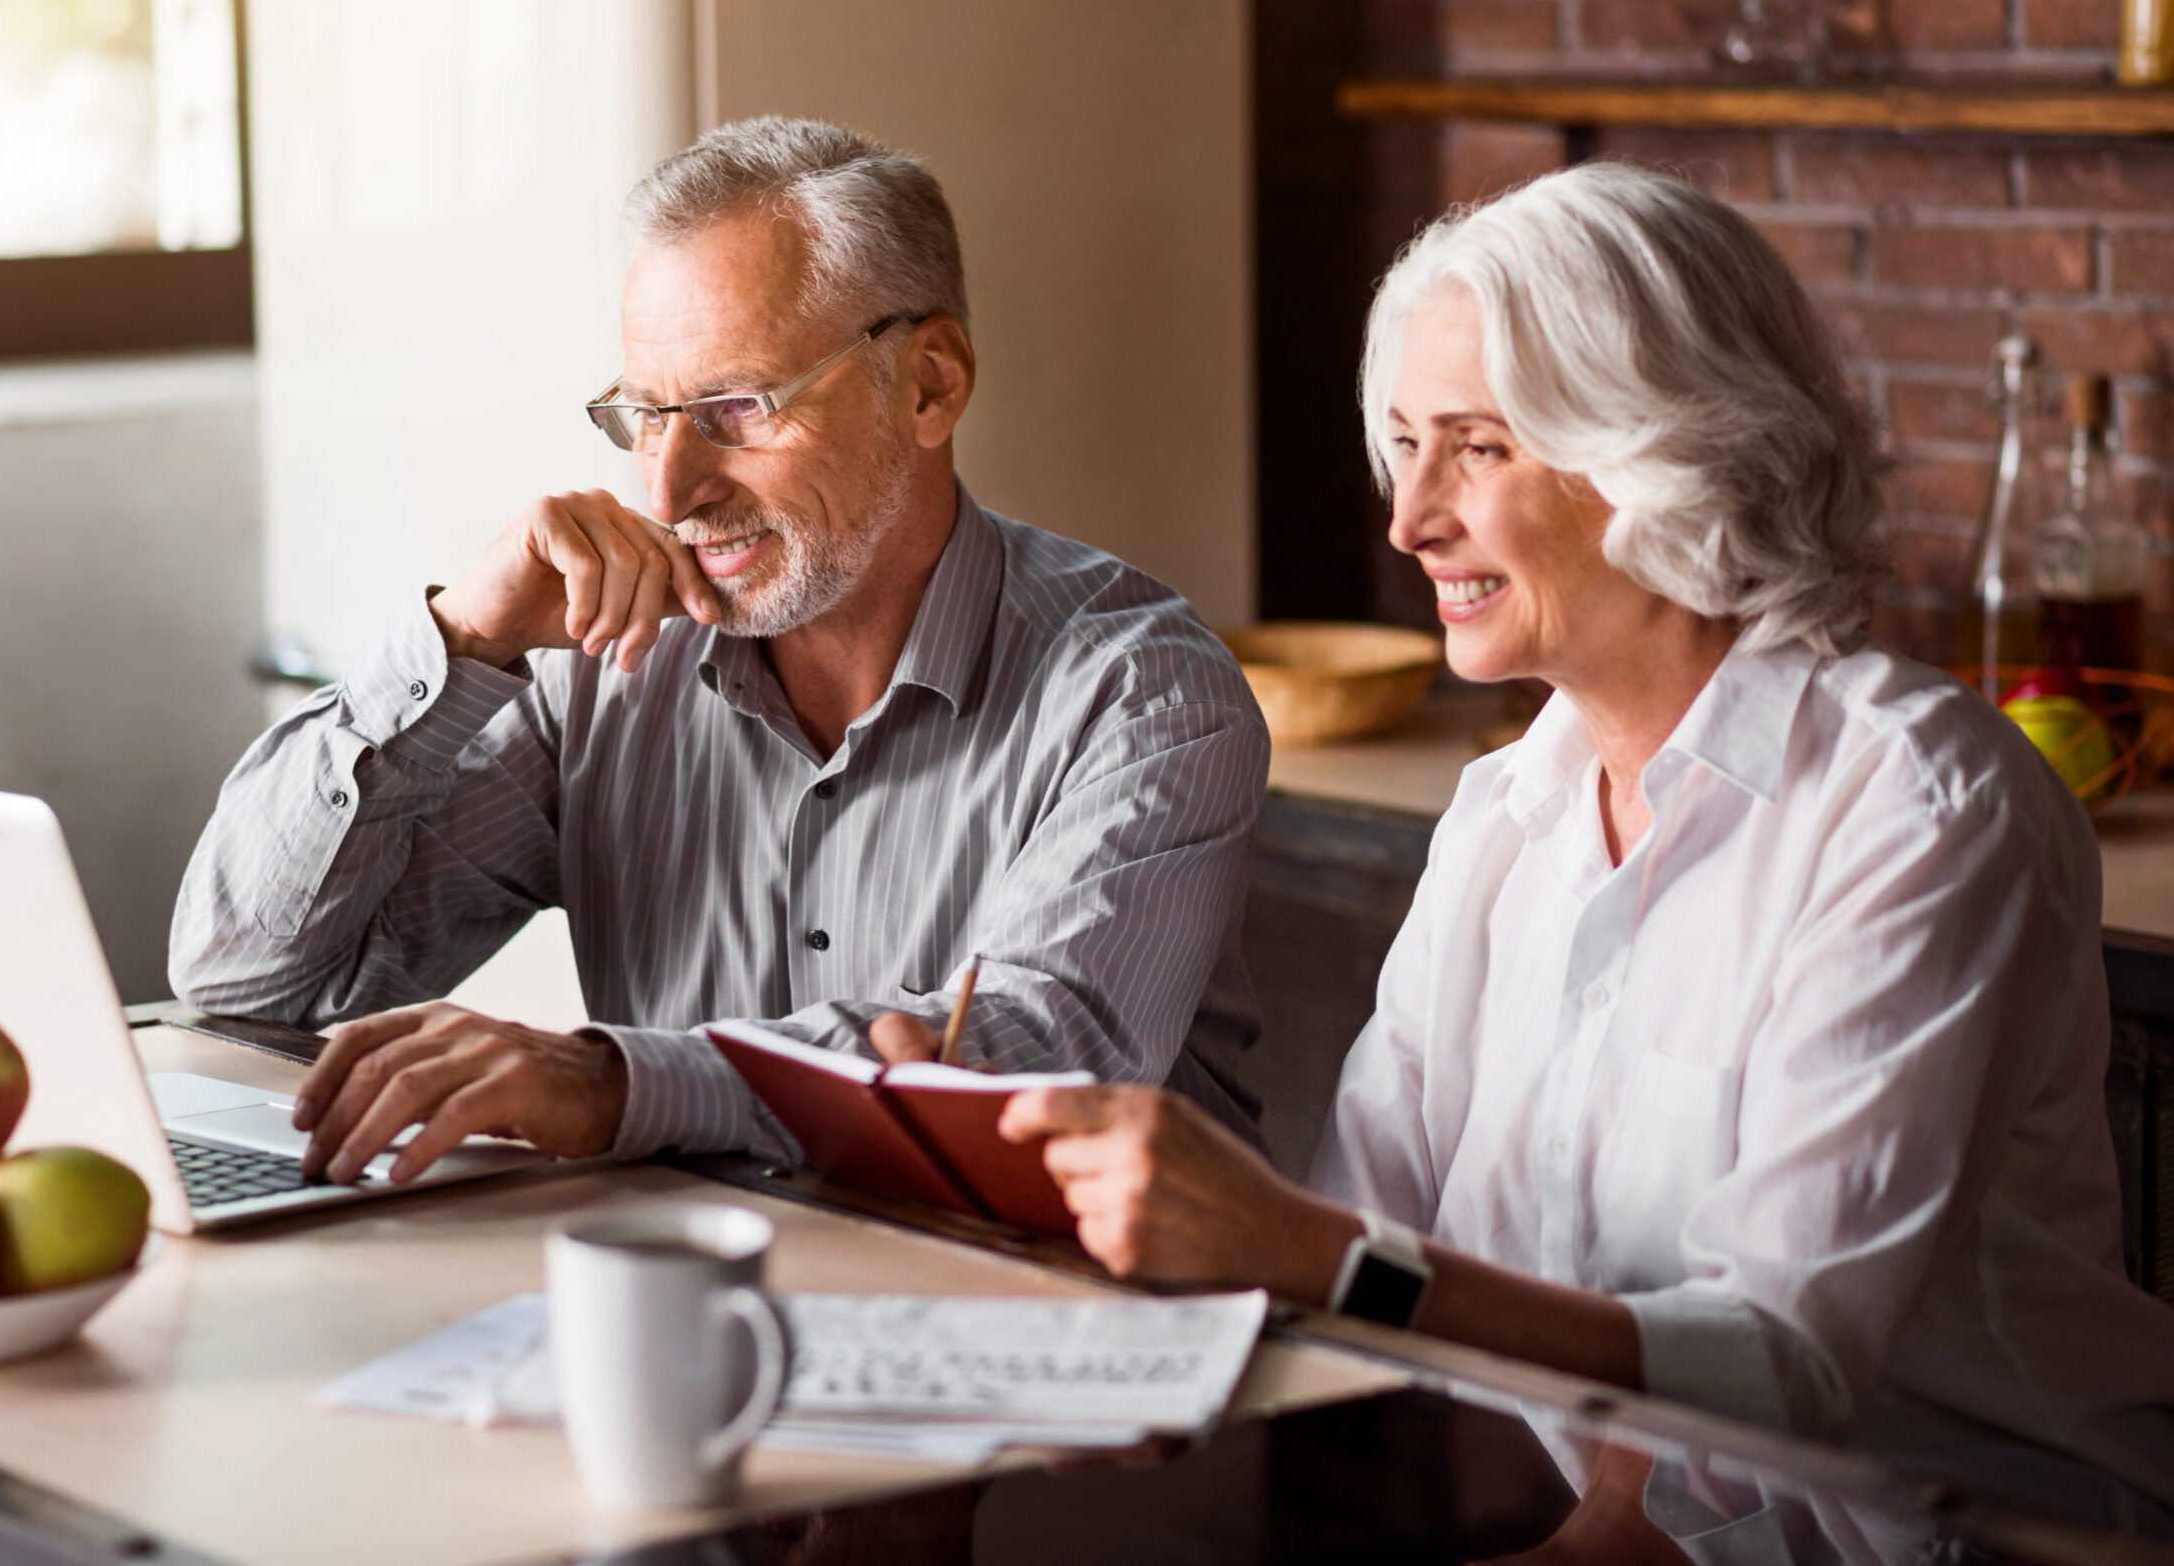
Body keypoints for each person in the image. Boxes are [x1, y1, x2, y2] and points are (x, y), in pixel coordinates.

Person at [937, 163, 2174, 1537]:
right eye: (1402, 445)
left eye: (1475, 446)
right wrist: (971, 1172)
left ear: (1663, 448)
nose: (1408, 520)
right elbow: (1345, 1251)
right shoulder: (1502, 819)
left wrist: (1311, 1256)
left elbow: (1775, 1357)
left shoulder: (1921, 810)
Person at [167, 116, 1268, 1188]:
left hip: (1053, 1336)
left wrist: (613, 1084)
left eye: (735, 407)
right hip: (713, 1319)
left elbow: (1027, 1071)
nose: (669, 488)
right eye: (646, 415)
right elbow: (245, 975)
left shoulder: (1143, 690)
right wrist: (460, 636)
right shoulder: (601, 673)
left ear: (930, 382)